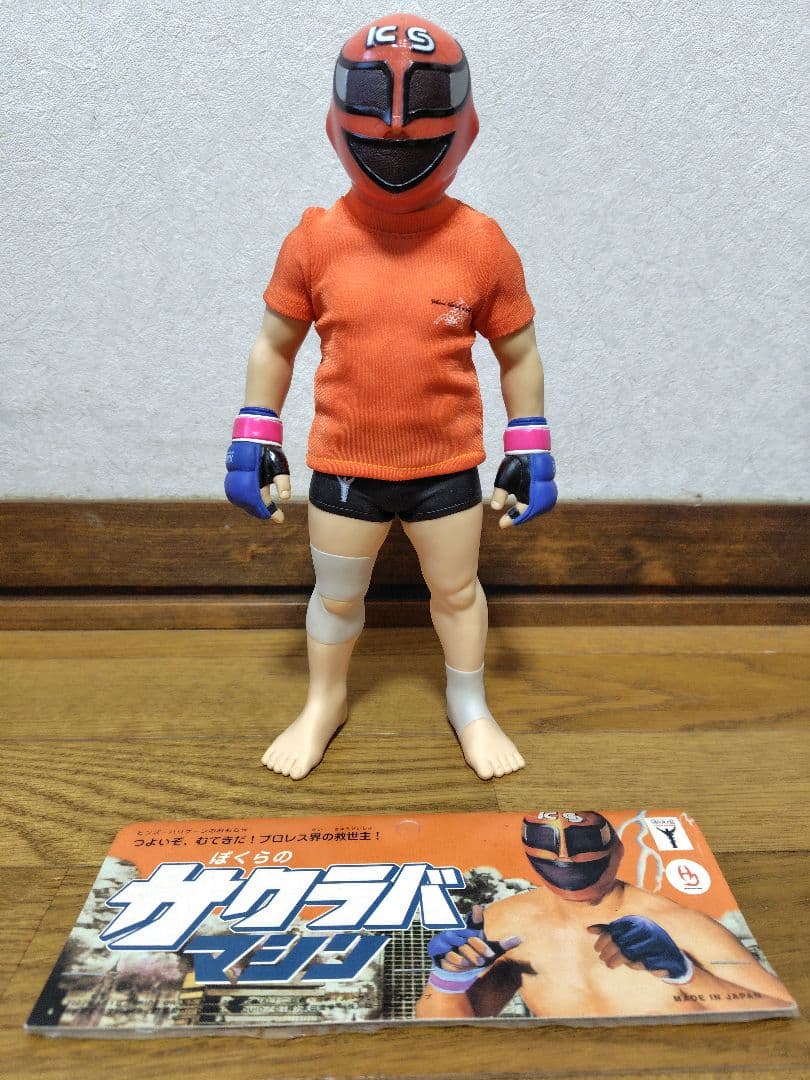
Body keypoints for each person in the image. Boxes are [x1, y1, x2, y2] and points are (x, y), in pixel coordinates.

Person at [225, 15, 556, 781]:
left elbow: (519, 352)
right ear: (336, 123)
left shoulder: (483, 244)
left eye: (425, 101)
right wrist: (254, 434)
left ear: (467, 125)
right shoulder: (315, 240)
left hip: (447, 469)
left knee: (457, 592)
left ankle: (469, 703)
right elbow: (275, 344)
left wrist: (530, 447)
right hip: (346, 466)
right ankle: (324, 701)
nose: (399, 125)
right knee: (337, 597)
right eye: (377, 104)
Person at [415, 812, 794, 1018]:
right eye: (552, 850)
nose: (566, 856)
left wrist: (686, 973)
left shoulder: (680, 924)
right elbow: (451, 1028)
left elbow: (779, 1012)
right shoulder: (506, 922)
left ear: (618, 851)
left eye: (582, 847)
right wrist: (448, 982)